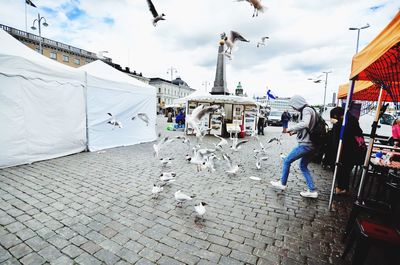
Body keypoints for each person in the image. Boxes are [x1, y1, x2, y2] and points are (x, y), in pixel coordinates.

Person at [270, 95, 318, 198]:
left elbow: (305, 124)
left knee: (287, 160)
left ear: (298, 103)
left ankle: (282, 183)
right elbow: (308, 127)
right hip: (312, 145)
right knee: (303, 166)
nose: (293, 108)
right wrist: (295, 131)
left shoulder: (306, 110)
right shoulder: (310, 110)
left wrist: (290, 128)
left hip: (306, 145)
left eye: (293, 106)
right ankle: (312, 190)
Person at [328, 107, 365, 195]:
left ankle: (342, 188)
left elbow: (347, 132)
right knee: (340, 168)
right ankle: (342, 187)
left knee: (344, 169)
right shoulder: (346, 119)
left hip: (350, 151)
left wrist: (337, 123)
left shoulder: (351, 120)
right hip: (341, 150)